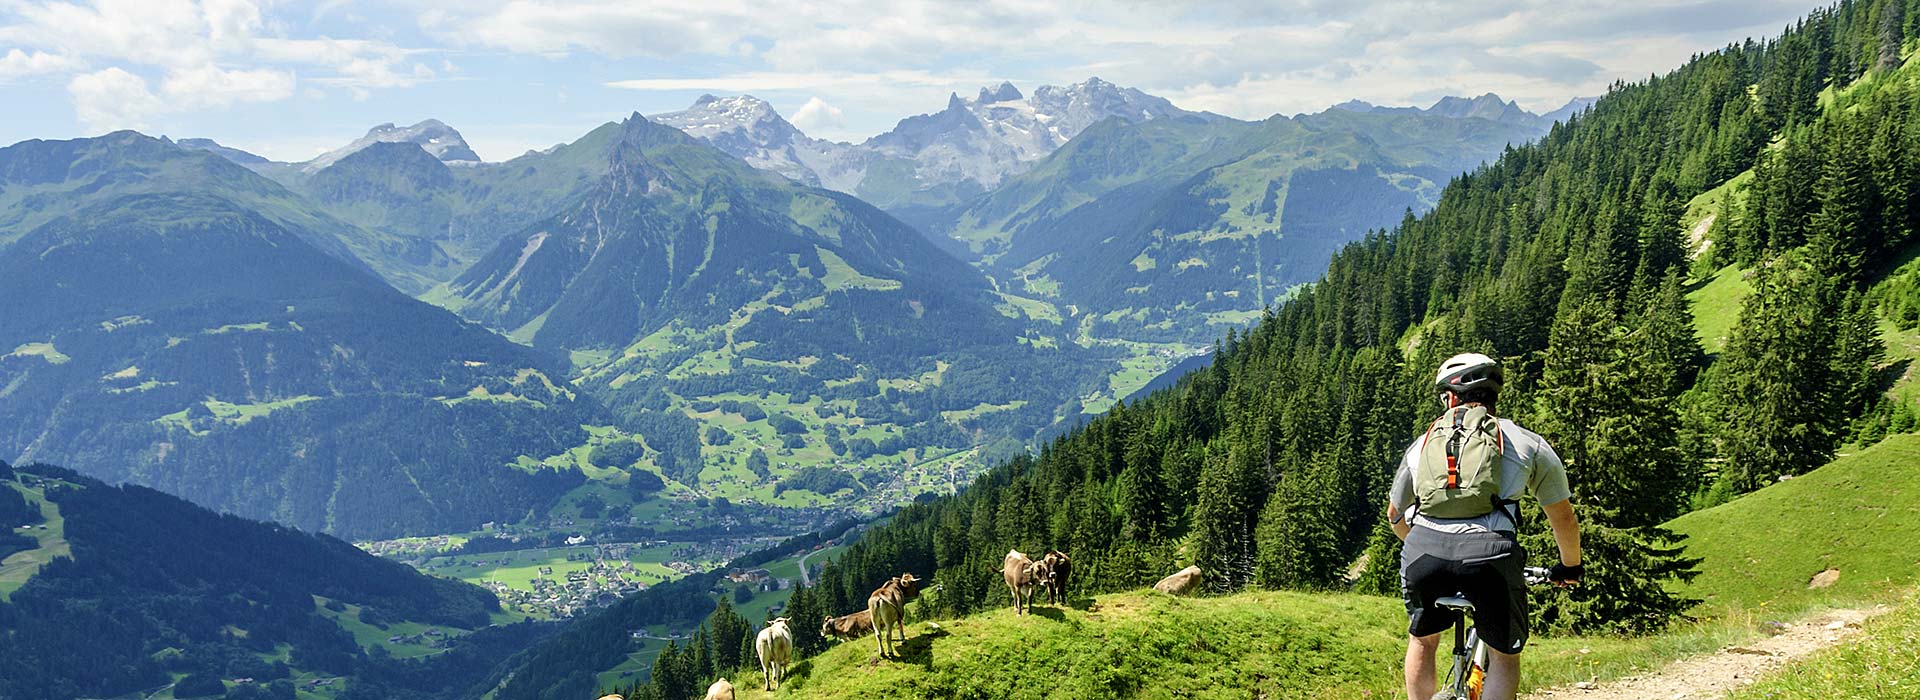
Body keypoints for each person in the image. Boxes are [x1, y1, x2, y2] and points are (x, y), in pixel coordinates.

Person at [1385, 352, 1583, 700]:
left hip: (1423, 554)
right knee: (1504, 656)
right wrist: (1570, 566)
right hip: (1490, 557)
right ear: (1494, 395)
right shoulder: (1526, 442)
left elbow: (1394, 515)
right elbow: (1562, 516)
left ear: (1449, 398)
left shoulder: (1423, 444)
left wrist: (1418, 543)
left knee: (1423, 639)